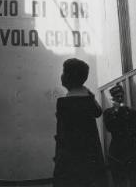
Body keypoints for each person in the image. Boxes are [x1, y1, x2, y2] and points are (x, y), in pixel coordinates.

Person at [53, 58, 106, 187]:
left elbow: (62, 139)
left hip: (69, 167)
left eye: (64, 72)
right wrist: (89, 93)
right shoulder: (89, 101)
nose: (62, 75)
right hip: (91, 165)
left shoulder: (63, 103)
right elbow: (98, 112)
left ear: (69, 77)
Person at [103, 83, 136, 187]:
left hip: (132, 153)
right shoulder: (108, 113)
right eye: (117, 97)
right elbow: (110, 128)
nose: (120, 98)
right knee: (119, 183)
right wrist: (117, 111)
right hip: (117, 155)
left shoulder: (131, 112)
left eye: (122, 96)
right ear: (113, 99)